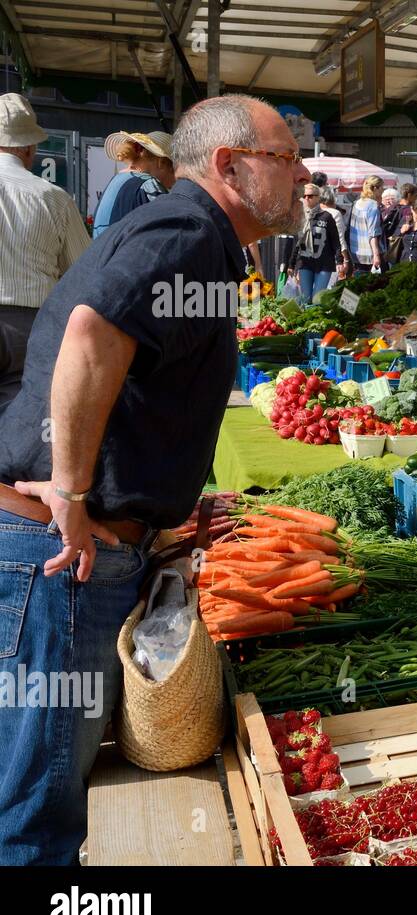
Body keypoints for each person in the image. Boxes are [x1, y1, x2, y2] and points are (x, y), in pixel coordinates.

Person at [0, 94, 309, 865]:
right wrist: (72, 495)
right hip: (59, 555)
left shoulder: (197, 237)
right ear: (231, 167)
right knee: (34, 820)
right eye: (288, 156)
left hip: (67, 547)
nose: (303, 173)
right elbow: (90, 331)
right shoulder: (188, 228)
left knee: (35, 799)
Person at [0, 93, 91, 414]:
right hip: (29, 326)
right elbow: (84, 274)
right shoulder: (53, 198)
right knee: (18, 422)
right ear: (28, 148)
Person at [92, 130, 175, 237]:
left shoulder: (117, 180)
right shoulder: (149, 184)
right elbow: (167, 233)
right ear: (161, 162)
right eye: (174, 169)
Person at [292, 182, 345, 304]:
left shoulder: (327, 217)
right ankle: (306, 322)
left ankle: (317, 321)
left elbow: (336, 241)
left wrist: (339, 261)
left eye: (310, 196)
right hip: (305, 262)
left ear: (318, 197)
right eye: (304, 196)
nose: (306, 199)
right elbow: (297, 243)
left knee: (317, 299)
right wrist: (291, 264)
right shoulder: (301, 217)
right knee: (305, 299)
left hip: (324, 263)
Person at [347, 174, 384, 274]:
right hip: (370, 255)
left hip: (356, 252)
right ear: (375, 188)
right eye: (382, 187)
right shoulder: (373, 206)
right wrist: (376, 255)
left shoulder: (356, 203)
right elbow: (373, 233)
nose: (382, 190)